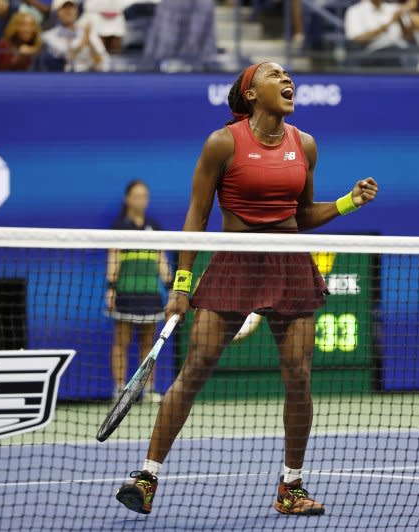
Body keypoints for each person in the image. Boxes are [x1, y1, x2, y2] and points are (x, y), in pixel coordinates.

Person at [113, 62, 378, 517]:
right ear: (251, 93)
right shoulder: (222, 143)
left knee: (298, 375)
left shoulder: (305, 145)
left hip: (290, 265)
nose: (287, 79)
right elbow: (196, 216)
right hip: (234, 262)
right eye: (275, 75)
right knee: (194, 370)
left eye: (288, 74)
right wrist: (182, 283)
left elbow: (303, 216)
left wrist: (347, 202)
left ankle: (290, 487)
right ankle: (147, 475)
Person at [107, 180, 172, 404]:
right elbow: (113, 257)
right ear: (127, 199)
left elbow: (161, 259)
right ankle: (119, 389)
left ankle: (147, 389)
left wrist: (170, 287)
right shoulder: (119, 226)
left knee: (149, 344)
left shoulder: (154, 225)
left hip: (150, 295)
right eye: (136, 196)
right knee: (121, 342)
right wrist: (111, 289)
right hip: (126, 292)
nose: (141, 200)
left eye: (144, 195)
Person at [344, 0, 417, 67]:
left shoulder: (394, 8)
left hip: (402, 50)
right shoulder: (355, 10)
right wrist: (387, 25)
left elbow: (410, 37)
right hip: (373, 53)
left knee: (415, 56)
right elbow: (357, 38)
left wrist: (400, 20)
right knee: (392, 55)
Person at [42, 0, 109, 72]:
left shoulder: (90, 33)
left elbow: (102, 61)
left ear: (76, 11)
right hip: (65, 78)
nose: (68, 12)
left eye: (71, 8)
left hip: (90, 76)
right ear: (56, 13)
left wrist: (89, 42)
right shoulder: (48, 36)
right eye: (64, 8)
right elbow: (68, 57)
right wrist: (84, 40)